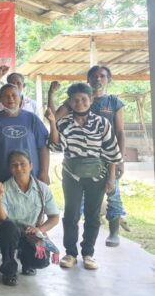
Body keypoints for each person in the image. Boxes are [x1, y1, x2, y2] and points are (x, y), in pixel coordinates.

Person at [48, 65, 128, 247]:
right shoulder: (75, 99)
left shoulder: (114, 102)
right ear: (88, 79)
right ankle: (72, 249)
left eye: (102, 76)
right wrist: (51, 95)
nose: (98, 79)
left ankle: (113, 233)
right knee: (76, 208)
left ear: (108, 79)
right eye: (94, 76)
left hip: (106, 159)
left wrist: (119, 161)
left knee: (113, 195)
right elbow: (54, 119)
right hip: (76, 166)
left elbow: (120, 132)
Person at [0, 151, 60, 286]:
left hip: (31, 234)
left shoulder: (43, 189)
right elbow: (1, 218)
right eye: (14, 165)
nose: (19, 168)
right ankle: (9, 270)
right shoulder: (3, 188)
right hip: (11, 233)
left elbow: (54, 217)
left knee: (42, 261)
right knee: (7, 227)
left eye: (23, 164)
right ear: (10, 169)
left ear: (31, 166)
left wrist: (40, 229)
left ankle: (26, 261)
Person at [0, 84, 49, 184]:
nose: (10, 98)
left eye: (14, 95)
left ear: (20, 98)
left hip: (30, 175)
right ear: (0, 99)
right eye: (6, 96)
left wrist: (44, 172)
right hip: (2, 175)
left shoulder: (32, 118)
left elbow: (43, 147)